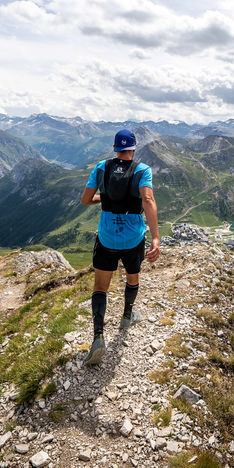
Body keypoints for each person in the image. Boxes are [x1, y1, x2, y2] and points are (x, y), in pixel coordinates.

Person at [80, 128, 160, 365]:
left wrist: (104, 199)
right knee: (132, 277)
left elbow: (85, 200)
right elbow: (148, 200)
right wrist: (155, 237)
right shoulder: (142, 170)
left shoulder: (101, 167)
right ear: (134, 148)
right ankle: (127, 316)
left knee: (100, 287)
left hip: (107, 237)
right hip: (133, 238)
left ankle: (98, 337)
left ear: (115, 148)